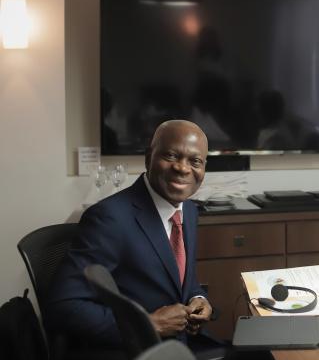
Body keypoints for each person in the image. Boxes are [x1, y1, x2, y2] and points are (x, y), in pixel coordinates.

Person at [45, 120, 225, 356]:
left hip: (182, 346)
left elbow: (180, 280)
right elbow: (62, 306)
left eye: (195, 161)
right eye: (171, 156)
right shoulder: (109, 219)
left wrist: (199, 298)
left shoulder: (188, 211)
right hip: (134, 351)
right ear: (148, 157)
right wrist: (148, 324)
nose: (183, 168)